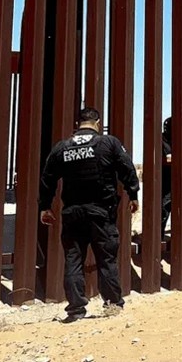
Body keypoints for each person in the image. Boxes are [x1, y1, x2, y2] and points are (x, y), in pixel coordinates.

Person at [38, 108, 140, 322]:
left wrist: (45, 206)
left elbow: (47, 178)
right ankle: (113, 305)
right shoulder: (108, 143)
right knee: (106, 259)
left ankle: (76, 309)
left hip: (72, 213)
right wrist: (133, 194)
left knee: (73, 259)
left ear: (78, 123)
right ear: (97, 123)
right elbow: (127, 168)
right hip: (101, 212)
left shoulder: (62, 147)